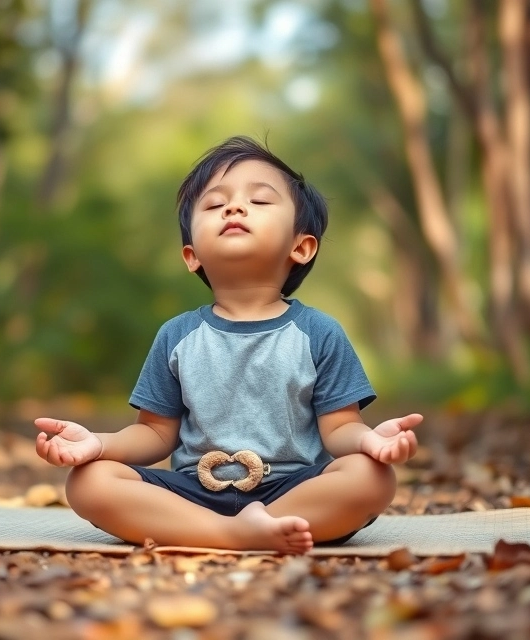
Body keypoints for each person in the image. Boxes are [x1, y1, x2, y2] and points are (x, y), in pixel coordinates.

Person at [34, 136, 422, 554]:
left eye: (259, 201)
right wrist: (100, 443)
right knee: (89, 481)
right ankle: (231, 534)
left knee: (373, 476)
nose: (234, 208)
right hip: (192, 492)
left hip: (292, 491)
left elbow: (340, 429)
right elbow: (153, 434)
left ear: (301, 246)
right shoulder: (177, 336)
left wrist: (370, 441)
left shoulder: (319, 333)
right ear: (192, 255)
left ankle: (238, 527)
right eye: (215, 205)